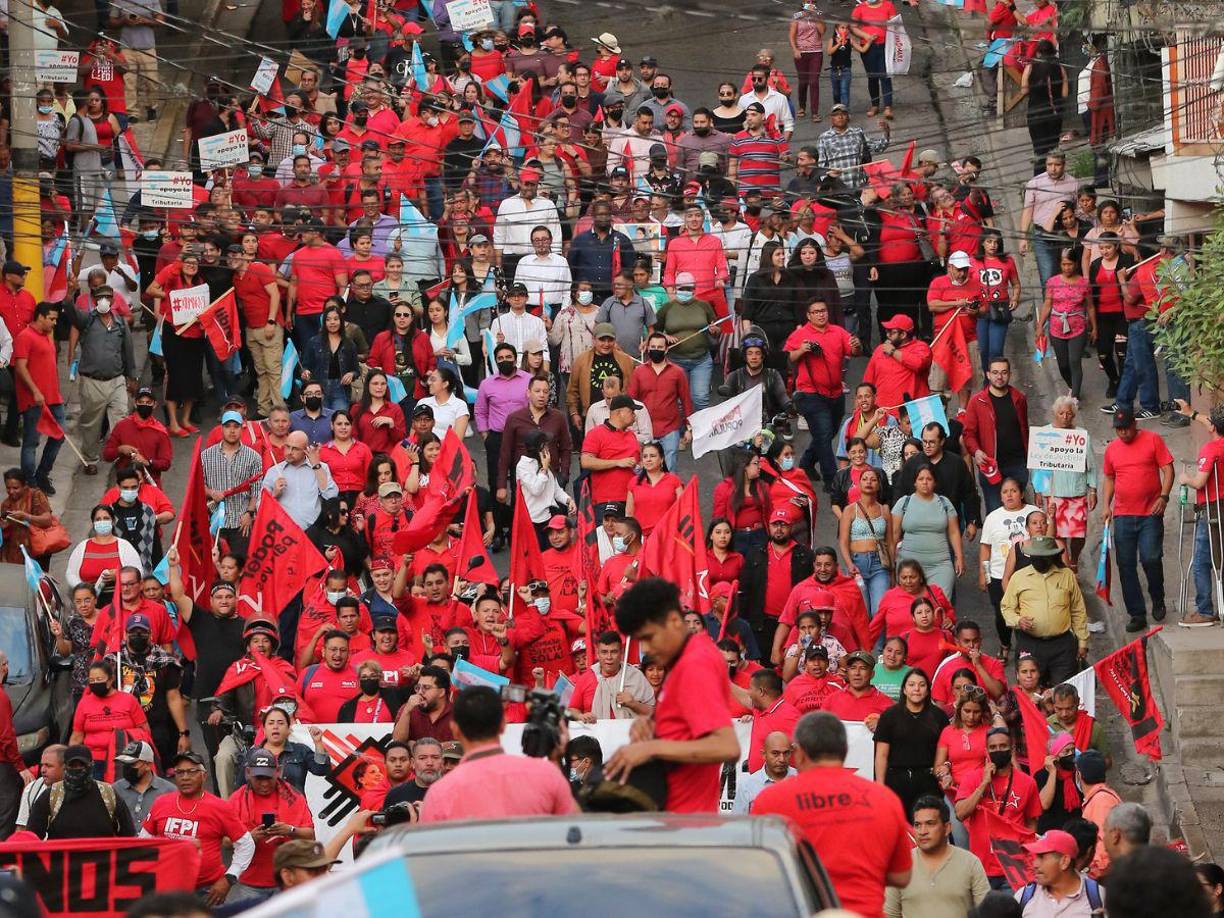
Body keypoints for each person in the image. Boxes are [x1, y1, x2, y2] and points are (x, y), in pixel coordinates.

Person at [601, 578, 739, 811]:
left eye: (648, 637)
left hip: (682, 824)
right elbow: (685, 726)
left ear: (674, 621)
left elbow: (727, 747)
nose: (644, 649)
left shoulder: (695, 665)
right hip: (673, 817)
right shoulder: (688, 655)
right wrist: (653, 725)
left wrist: (651, 748)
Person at [755, 712, 911, 916]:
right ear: (845, 751)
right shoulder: (885, 799)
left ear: (799, 753)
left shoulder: (770, 800)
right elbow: (902, 876)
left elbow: (758, 872)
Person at [419, 685, 576, 822]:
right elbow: (577, 832)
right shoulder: (546, 774)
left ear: (454, 730)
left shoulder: (438, 795)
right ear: (503, 724)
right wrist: (555, 759)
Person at [141, 751, 255, 907]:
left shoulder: (220, 807)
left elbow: (246, 844)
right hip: (167, 890)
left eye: (192, 771)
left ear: (204, 775)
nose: (185, 777)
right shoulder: (161, 802)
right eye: (180, 772)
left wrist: (229, 878)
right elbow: (143, 842)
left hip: (207, 892)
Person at [1101, 407, 1173, 631]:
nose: (1122, 433)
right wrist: (1106, 505)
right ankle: (1137, 613)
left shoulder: (1153, 440)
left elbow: (1168, 470)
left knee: (1151, 558)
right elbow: (1110, 478)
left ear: (1135, 424)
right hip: (1123, 514)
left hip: (1150, 512)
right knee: (1126, 565)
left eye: (1126, 428)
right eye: (1118, 429)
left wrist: (1164, 496)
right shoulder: (1112, 449)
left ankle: (1157, 597)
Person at [227, 748, 316, 906]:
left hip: (288, 882)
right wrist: (248, 838)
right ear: (248, 773)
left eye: (268, 777)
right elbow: (223, 841)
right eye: (259, 778)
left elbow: (310, 835)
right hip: (251, 882)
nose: (264, 783)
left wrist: (290, 830)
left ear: (278, 772)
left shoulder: (294, 797)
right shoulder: (236, 800)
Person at [786, 299, 861, 484]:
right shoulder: (801, 334)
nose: (821, 314)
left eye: (824, 310)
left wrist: (857, 345)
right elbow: (787, 358)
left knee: (829, 433)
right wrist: (801, 350)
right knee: (824, 436)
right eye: (816, 311)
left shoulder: (837, 331)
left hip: (836, 393)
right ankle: (833, 481)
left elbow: (854, 351)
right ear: (808, 316)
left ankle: (806, 463)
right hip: (810, 394)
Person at [67, 285, 136, 474]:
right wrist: (69, 294)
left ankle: (121, 458)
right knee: (91, 425)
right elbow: (71, 313)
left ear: (113, 300)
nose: (104, 300)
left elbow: (128, 351)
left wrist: (132, 376)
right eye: (100, 297)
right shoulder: (87, 320)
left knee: (121, 420)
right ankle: (90, 459)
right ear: (95, 300)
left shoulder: (120, 323)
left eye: (107, 297)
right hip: (92, 382)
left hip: (116, 380)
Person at [885, 794, 990, 918]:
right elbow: (889, 914)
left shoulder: (970, 863)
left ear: (947, 828)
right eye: (918, 825)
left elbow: (986, 912)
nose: (923, 831)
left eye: (930, 824)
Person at [739, 509, 814, 658]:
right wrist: (743, 621)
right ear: (769, 527)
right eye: (775, 525)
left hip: (793, 624)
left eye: (783, 525)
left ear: (791, 527)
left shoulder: (805, 555)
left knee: (793, 666)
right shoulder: (755, 553)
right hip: (761, 623)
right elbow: (745, 589)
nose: (779, 529)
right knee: (764, 670)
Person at [980, 478, 1041, 662]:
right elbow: (985, 548)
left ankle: (1029, 652)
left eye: (1013, 491)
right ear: (1000, 496)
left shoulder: (1034, 512)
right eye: (1005, 492)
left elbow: (1047, 534)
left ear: (1021, 494)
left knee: (1028, 614)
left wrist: (1051, 517)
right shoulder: (992, 518)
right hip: (999, 575)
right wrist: (985, 574)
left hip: (1030, 574)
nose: (1009, 495)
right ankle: (1005, 645)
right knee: (1002, 615)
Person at [874, 669, 949, 818]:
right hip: (895, 780)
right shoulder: (889, 716)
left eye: (921, 685)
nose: (916, 689)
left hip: (928, 782)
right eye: (912, 684)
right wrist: (880, 786)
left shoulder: (939, 717)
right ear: (904, 689)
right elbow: (881, 755)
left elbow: (946, 751)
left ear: (928, 690)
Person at [26, 744, 136, 839]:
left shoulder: (108, 795)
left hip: (101, 861)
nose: (78, 769)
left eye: (82, 765)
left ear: (91, 765)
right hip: (61, 862)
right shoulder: (51, 796)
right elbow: (32, 838)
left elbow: (129, 837)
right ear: (65, 767)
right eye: (73, 765)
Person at [964, 357, 1030, 514]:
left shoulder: (1019, 398)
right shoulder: (976, 401)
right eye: (995, 373)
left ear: (1010, 374)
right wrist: (977, 451)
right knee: (995, 514)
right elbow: (968, 434)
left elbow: (1024, 429)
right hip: (990, 466)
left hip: (1017, 465)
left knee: (1018, 513)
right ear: (987, 374)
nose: (999, 377)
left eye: (1003, 372)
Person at [12, 302, 64, 493]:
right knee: (31, 442)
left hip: (53, 397)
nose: (54, 323)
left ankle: (42, 474)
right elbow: (20, 367)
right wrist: (35, 391)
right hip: (34, 399)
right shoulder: (25, 337)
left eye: (56, 319)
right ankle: (30, 483)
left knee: (59, 435)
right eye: (51, 319)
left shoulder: (48, 336)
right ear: (40, 316)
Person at [891, 465, 963, 599]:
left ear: (935, 482)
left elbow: (954, 532)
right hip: (909, 567)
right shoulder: (904, 503)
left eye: (929, 479)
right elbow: (894, 534)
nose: (925, 482)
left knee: (939, 604)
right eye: (921, 479)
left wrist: (959, 557)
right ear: (915, 482)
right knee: (910, 608)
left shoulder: (945, 503)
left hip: (940, 565)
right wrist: (890, 562)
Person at [71, 658, 151, 779]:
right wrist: (72, 760)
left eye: (99, 679)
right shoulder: (84, 703)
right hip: (95, 761)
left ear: (111, 680)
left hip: (125, 760)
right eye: (91, 680)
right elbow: (77, 736)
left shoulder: (129, 700)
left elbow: (144, 731)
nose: (95, 683)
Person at [568, 630, 654, 722]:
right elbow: (572, 709)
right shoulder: (587, 677)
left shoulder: (635, 676)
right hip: (594, 734)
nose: (609, 657)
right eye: (604, 652)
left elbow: (654, 713)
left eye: (614, 652)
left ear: (621, 653)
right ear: (598, 654)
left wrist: (633, 704)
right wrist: (581, 716)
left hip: (630, 734)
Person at [261, 431, 340, 530]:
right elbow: (260, 506)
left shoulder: (320, 468)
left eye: (295, 449)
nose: (289, 452)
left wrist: (316, 466)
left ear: (306, 450)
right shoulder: (274, 471)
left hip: (313, 532)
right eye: (287, 447)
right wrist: (274, 494)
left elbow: (331, 495)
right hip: (284, 533)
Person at [101, 387, 173, 484]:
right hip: (124, 485)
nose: (144, 405)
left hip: (150, 486)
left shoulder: (160, 432)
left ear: (155, 404)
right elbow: (107, 455)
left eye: (148, 402)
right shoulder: (122, 426)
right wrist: (120, 449)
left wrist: (148, 462)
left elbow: (166, 463)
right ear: (135, 403)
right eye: (141, 402)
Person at [112, 740, 175, 825]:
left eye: (132, 764)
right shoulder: (114, 790)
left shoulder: (169, 791)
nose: (127, 768)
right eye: (124, 763)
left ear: (148, 765)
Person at [733, 730, 795, 815]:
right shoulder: (747, 786)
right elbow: (738, 823)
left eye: (786, 753)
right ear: (763, 755)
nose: (782, 759)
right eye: (775, 753)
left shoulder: (802, 779)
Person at [383, 738, 443, 806]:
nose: (429, 763)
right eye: (422, 758)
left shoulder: (455, 791)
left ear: (442, 762)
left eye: (435, 757)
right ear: (413, 763)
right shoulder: (395, 795)